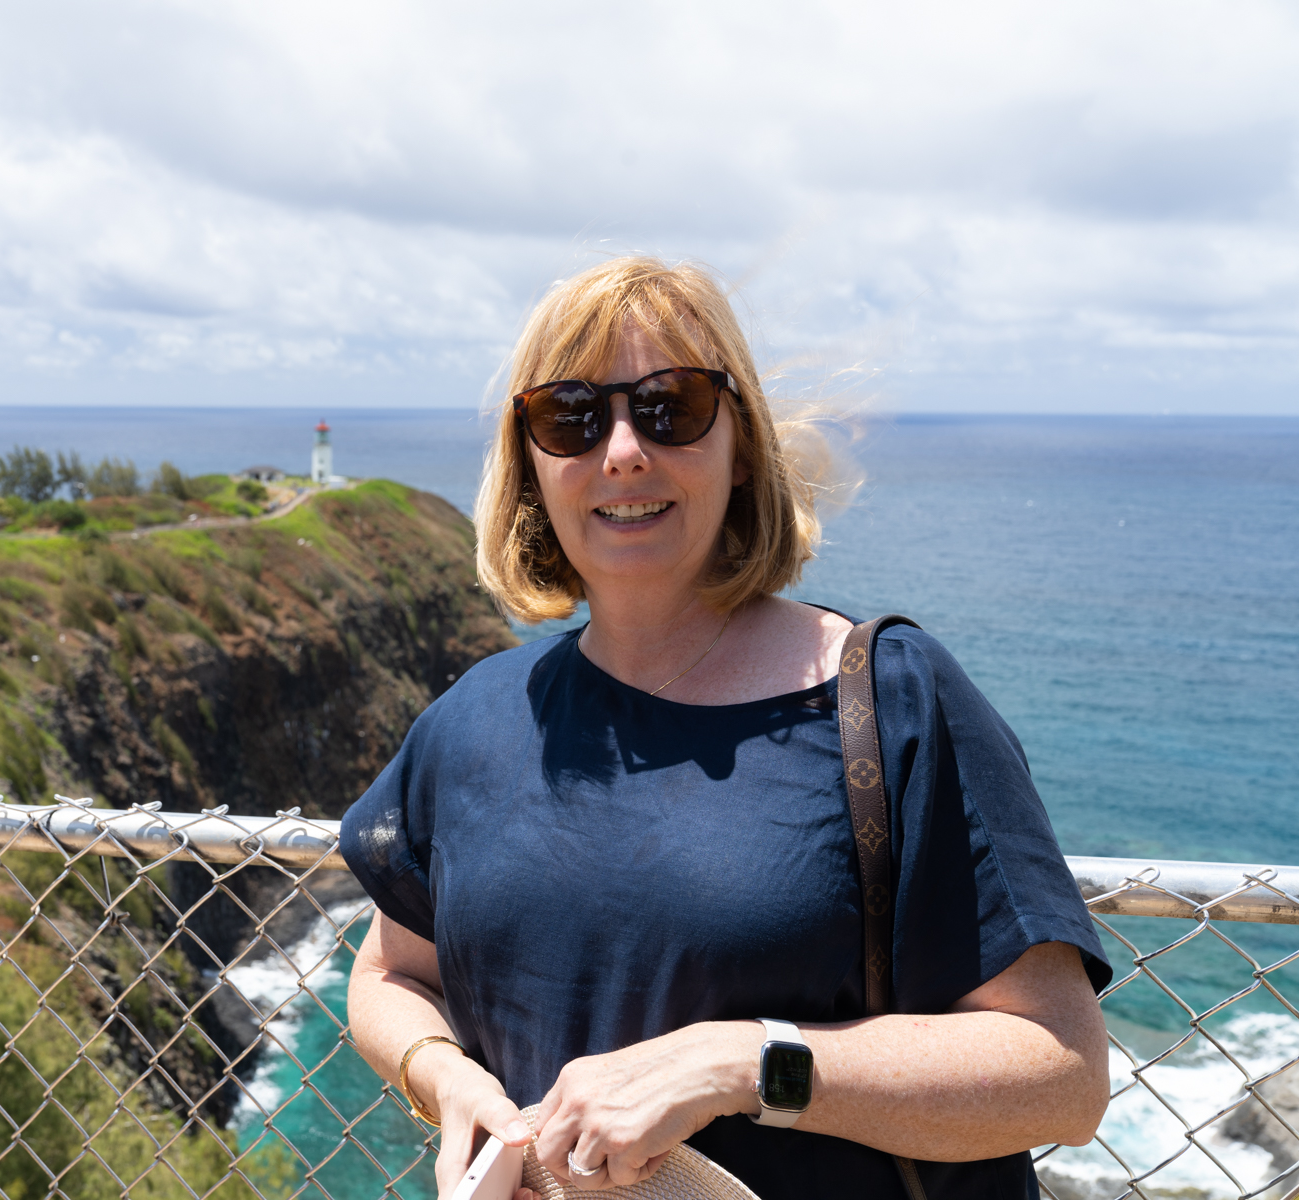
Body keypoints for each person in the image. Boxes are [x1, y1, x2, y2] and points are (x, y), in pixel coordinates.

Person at [340, 257, 1112, 1199]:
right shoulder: (474, 720)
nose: (622, 450)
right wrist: (446, 1081)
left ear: (740, 444)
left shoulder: (889, 699)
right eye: (570, 417)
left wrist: (737, 1066)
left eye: (672, 405)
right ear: (531, 462)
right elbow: (388, 972)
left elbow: (1063, 1073)